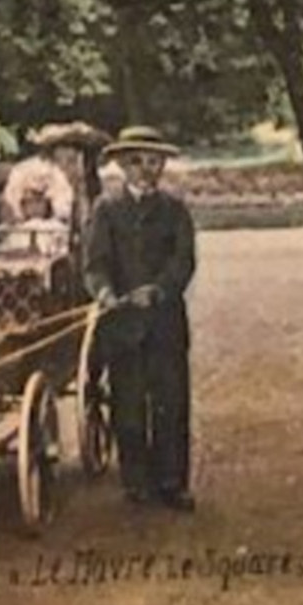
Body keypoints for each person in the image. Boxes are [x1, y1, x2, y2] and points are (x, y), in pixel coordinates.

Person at [83, 126, 198, 511]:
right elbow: (95, 264)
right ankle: (136, 481)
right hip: (123, 325)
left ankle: (172, 481)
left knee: (170, 403)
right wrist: (104, 294)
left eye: (154, 162)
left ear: (163, 166)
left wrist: (160, 289)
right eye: (136, 162)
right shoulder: (107, 209)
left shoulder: (174, 209)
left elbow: (183, 261)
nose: (146, 170)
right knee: (128, 407)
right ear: (121, 165)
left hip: (165, 322)